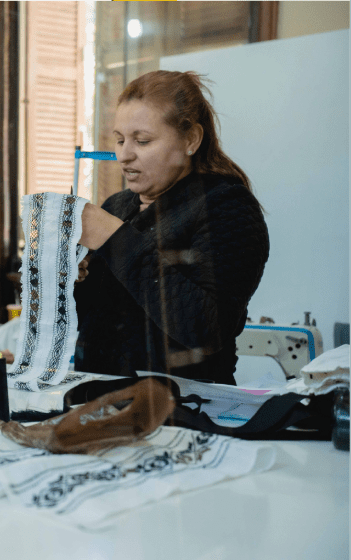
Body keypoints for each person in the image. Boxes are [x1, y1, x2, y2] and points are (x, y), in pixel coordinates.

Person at [73, 70, 269, 385]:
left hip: (185, 409)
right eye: (120, 140)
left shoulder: (228, 207)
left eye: (143, 140)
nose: (124, 155)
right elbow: (95, 318)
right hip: (103, 398)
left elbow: (207, 328)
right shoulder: (117, 206)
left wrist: (115, 240)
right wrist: (70, 275)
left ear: (190, 139)